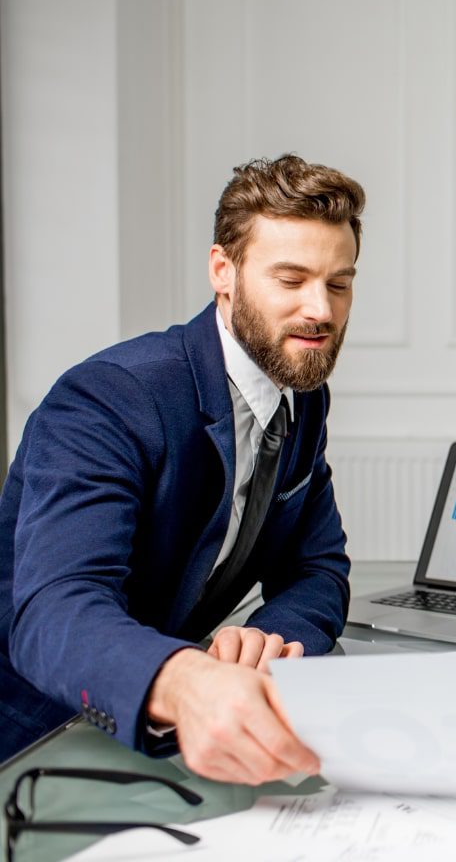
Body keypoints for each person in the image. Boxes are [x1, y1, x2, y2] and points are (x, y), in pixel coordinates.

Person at [0, 154, 364, 785]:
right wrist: (188, 680)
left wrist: (270, 640)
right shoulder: (110, 397)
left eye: (338, 283)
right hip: (34, 736)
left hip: (166, 748)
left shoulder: (301, 392)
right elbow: (56, 608)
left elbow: (317, 567)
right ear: (223, 271)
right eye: (292, 279)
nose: (322, 311)